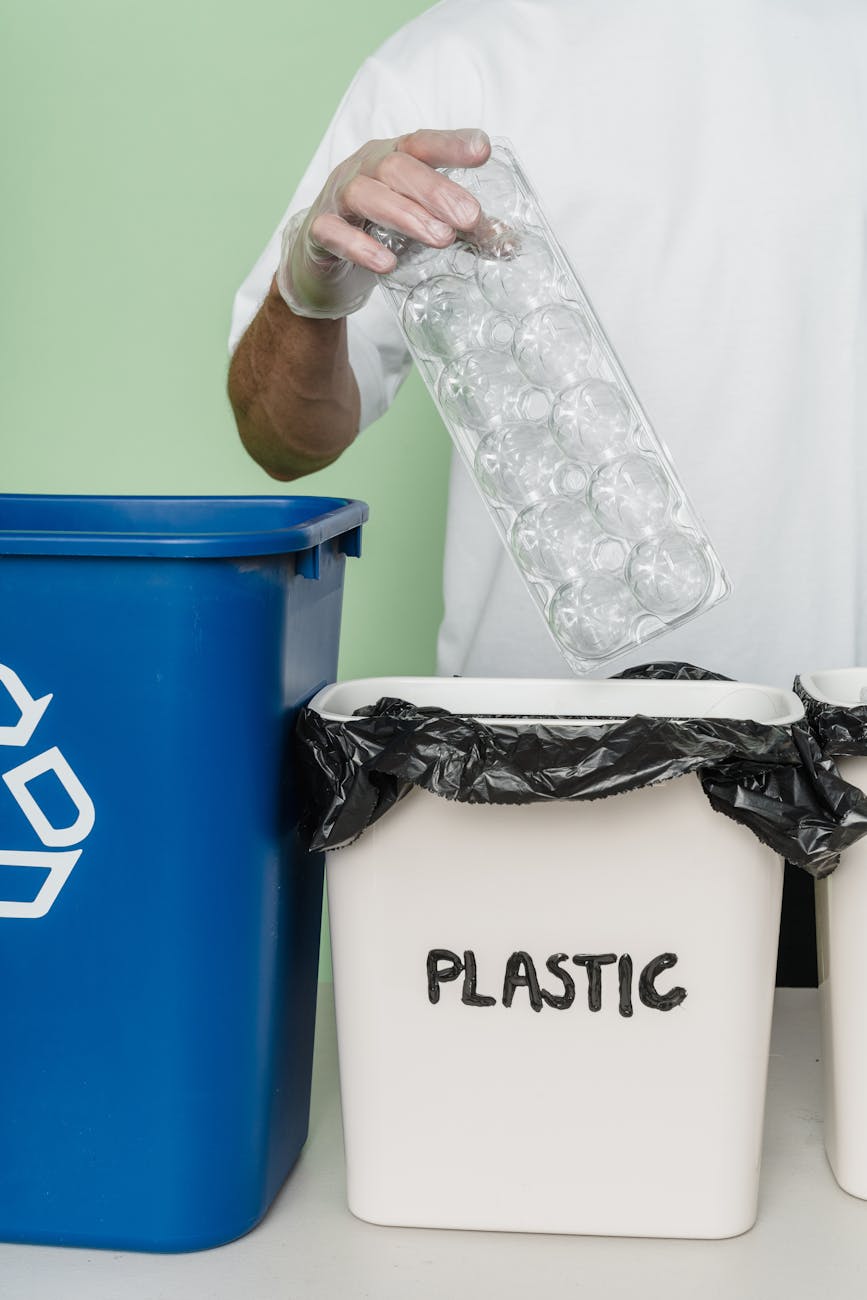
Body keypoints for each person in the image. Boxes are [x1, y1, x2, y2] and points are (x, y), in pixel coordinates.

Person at [228, 0, 867, 980]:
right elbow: (282, 437)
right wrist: (310, 293)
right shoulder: (451, 65)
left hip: (849, 800)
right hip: (544, 797)